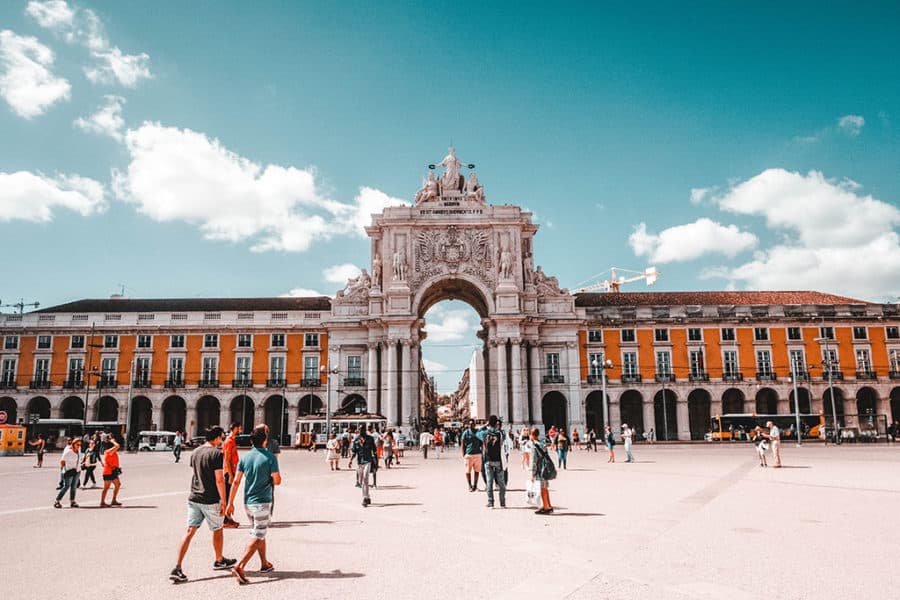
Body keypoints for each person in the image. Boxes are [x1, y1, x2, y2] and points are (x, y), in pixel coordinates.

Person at [169, 426, 237, 583]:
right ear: (216, 438)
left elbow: (197, 473)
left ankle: (177, 567)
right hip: (210, 498)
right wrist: (224, 501)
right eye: (221, 437)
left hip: (194, 497)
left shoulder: (196, 452)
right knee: (218, 529)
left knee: (189, 531)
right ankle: (219, 560)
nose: (222, 440)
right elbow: (219, 479)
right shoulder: (216, 453)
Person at [225, 425, 281, 585]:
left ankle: (264, 563)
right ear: (265, 440)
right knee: (258, 534)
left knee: (259, 532)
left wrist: (230, 503)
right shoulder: (270, 457)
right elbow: (277, 480)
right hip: (262, 502)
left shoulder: (245, 457)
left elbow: (235, 481)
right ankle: (240, 566)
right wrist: (272, 479)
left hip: (247, 502)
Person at [482, 415, 507, 508]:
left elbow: (478, 433)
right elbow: (503, 441)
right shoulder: (500, 433)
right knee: (501, 482)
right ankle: (502, 502)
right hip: (498, 460)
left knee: (489, 481)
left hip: (488, 460)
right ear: (496, 423)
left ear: (489, 422)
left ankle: (490, 502)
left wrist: (485, 425)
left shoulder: (484, 433)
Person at [348, 426, 376, 507]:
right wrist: (350, 460)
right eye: (359, 430)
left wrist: (376, 462)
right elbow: (354, 451)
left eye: (362, 430)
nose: (360, 431)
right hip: (360, 463)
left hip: (368, 461)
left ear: (365, 430)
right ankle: (368, 497)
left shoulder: (370, 439)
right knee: (361, 481)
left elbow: (374, 451)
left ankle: (365, 498)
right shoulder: (356, 439)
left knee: (365, 479)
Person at [222, 423, 242, 528]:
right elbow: (227, 459)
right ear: (234, 429)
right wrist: (230, 475)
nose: (241, 430)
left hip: (232, 471)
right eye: (239, 428)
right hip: (229, 473)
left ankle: (227, 518)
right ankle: (225, 520)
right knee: (227, 496)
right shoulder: (229, 441)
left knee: (229, 496)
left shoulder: (232, 441)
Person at [529, 427, 554, 515]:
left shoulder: (534, 446)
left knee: (542, 488)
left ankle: (546, 507)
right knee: (545, 488)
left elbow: (534, 461)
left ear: (531, 435)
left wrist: (532, 474)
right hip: (545, 467)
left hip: (540, 469)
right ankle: (548, 505)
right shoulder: (542, 443)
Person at [54, 437, 81, 509]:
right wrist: (64, 471)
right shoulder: (68, 451)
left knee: (74, 487)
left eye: (79, 445)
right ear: (73, 444)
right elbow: (62, 461)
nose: (79, 446)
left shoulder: (79, 451)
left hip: (77, 471)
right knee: (66, 486)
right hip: (69, 471)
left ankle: (72, 501)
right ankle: (57, 500)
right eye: (77, 444)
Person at [460, 420, 483, 492]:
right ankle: (469, 485)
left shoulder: (478, 432)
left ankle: (475, 485)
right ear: (468, 425)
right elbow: (463, 444)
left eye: (472, 424)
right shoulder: (466, 432)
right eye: (470, 424)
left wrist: (481, 451)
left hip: (477, 454)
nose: (471, 425)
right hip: (469, 454)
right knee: (468, 471)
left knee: (477, 471)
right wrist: (463, 454)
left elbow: (481, 442)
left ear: (475, 424)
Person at [100, 437, 122, 507]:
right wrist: (112, 441)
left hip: (113, 471)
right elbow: (117, 446)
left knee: (118, 484)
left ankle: (113, 500)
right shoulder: (108, 451)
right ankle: (102, 502)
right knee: (106, 487)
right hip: (108, 472)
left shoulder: (112, 451)